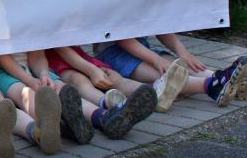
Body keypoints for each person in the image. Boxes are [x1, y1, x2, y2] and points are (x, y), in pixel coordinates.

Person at [95, 36, 247, 107]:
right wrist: (156, 60)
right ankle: (212, 85)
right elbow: (122, 38)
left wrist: (182, 51)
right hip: (114, 54)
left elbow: (159, 23)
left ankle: (223, 80)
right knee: (167, 74)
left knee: (180, 65)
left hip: (142, 47)